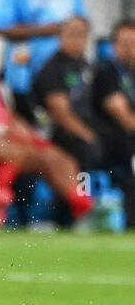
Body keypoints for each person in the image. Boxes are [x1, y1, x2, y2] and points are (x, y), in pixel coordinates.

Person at [0, 28, 94, 228]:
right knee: (18, 154)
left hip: (7, 137)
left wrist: (21, 126)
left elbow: (6, 113)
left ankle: (82, 208)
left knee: (61, 157)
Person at [34, 16, 134, 226]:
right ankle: (80, 211)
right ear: (60, 36)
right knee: (86, 150)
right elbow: (60, 112)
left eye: (82, 35)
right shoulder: (51, 69)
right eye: (72, 34)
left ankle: (125, 212)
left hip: (94, 130)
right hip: (65, 133)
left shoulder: (88, 66)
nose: (77, 40)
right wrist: (86, 135)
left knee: (125, 147)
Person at [89, 19, 135, 228]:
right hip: (113, 139)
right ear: (114, 46)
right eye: (125, 43)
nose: (130, 49)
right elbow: (124, 118)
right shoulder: (106, 73)